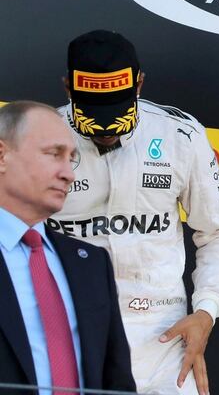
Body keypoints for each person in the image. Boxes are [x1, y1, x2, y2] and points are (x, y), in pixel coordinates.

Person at [51, 30, 219, 395]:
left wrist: (206, 311)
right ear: (68, 88)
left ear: (139, 83)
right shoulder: (38, 140)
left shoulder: (179, 136)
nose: (106, 128)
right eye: (93, 111)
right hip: (68, 330)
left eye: (116, 109)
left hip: (164, 334)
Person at [0, 101, 136, 394]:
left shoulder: (92, 264)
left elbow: (117, 382)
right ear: (2, 156)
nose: (69, 174)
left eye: (71, 158)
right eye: (54, 154)